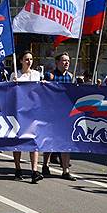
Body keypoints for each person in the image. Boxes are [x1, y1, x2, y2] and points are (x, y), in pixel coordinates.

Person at [41, 52, 76, 181]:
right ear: (57, 63)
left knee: (66, 142)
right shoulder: (50, 75)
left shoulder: (71, 77)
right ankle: (45, 165)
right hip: (51, 113)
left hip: (66, 114)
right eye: (63, 60)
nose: (66, 63)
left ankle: (66, 170)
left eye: (68, 60)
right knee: (50, 140)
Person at [10, 51, 42, 183]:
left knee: (33, 141)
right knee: (17, 141)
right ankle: (18, 169)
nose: (29, 61)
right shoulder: (15, 74)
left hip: (32, 112)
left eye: (31, 59)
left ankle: (34, 171)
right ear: (21, 61)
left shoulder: (36, 74)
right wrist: (14, 83)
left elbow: (39, 91)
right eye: (26, 59)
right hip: (18, 112)